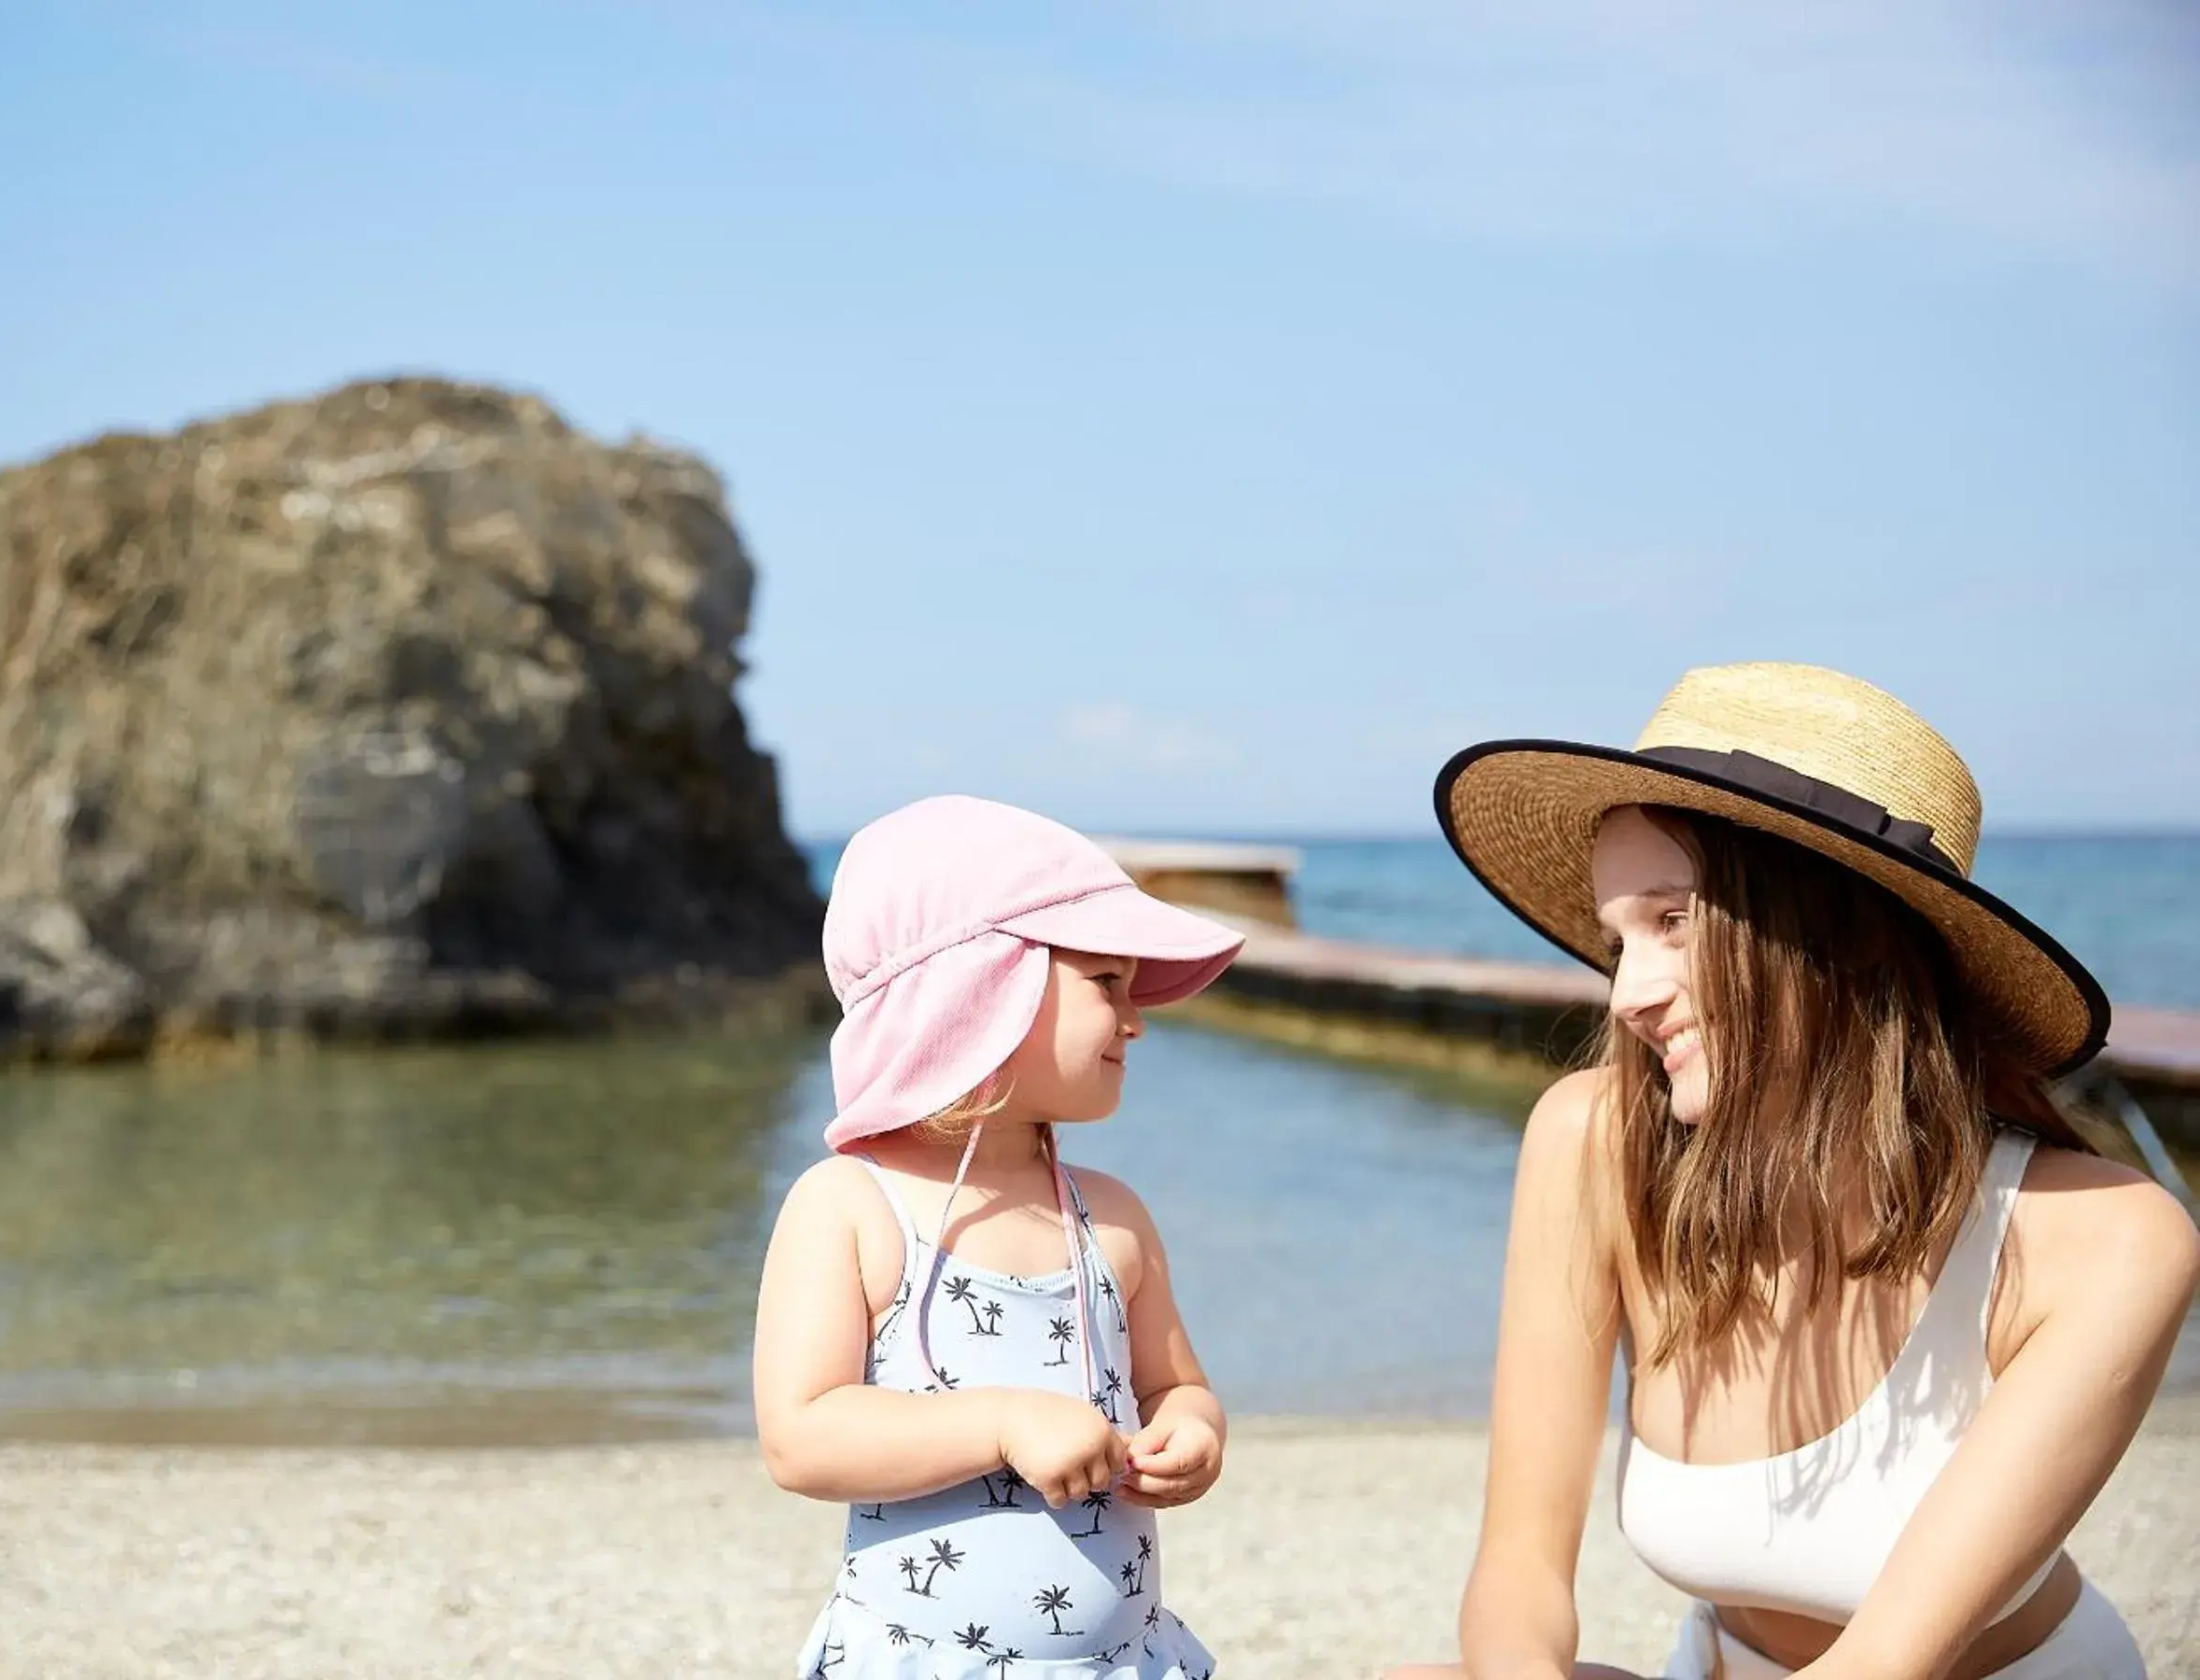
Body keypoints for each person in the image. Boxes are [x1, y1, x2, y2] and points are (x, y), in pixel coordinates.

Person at [1393, 662, 2200, 1680]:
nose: (1627, 997)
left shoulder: (2108, 1242)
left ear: (1839, 934)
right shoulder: (1592, 1144)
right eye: (1614, 943)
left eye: (1673, 922)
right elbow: (1517, 1575)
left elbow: (1883, 1664)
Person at [754, 794, 1243, 1677]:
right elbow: (801, 1437)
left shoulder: (1112, 1219)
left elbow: (1177, 1386)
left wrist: (1195, 1435)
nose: (1136, 1021)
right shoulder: (850, 1207)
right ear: (980, 993)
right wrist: (1002, 1421)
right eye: (1106, 984)